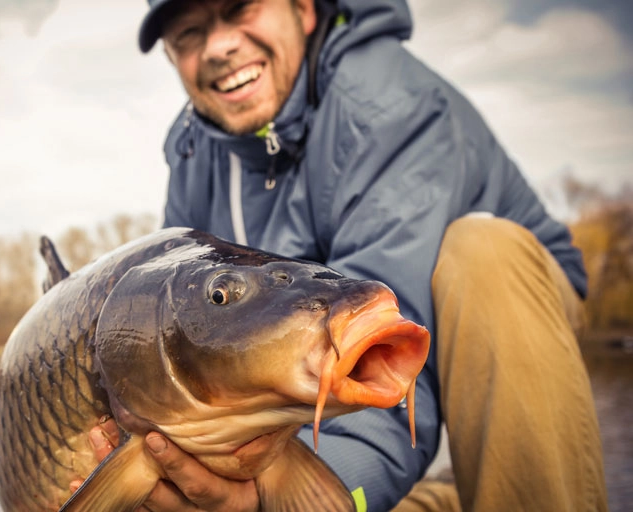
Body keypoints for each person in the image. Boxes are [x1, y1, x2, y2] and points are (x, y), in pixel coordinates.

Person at [85, 0, 609, 510]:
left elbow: (383, 354)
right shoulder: (192, 149)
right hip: (319, 328)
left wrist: (301, 496)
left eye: (240, 8)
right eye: (189, 33)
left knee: (483, 253)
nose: (219, 45)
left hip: (512, 307)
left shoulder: (386, 104)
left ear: (304, 9)